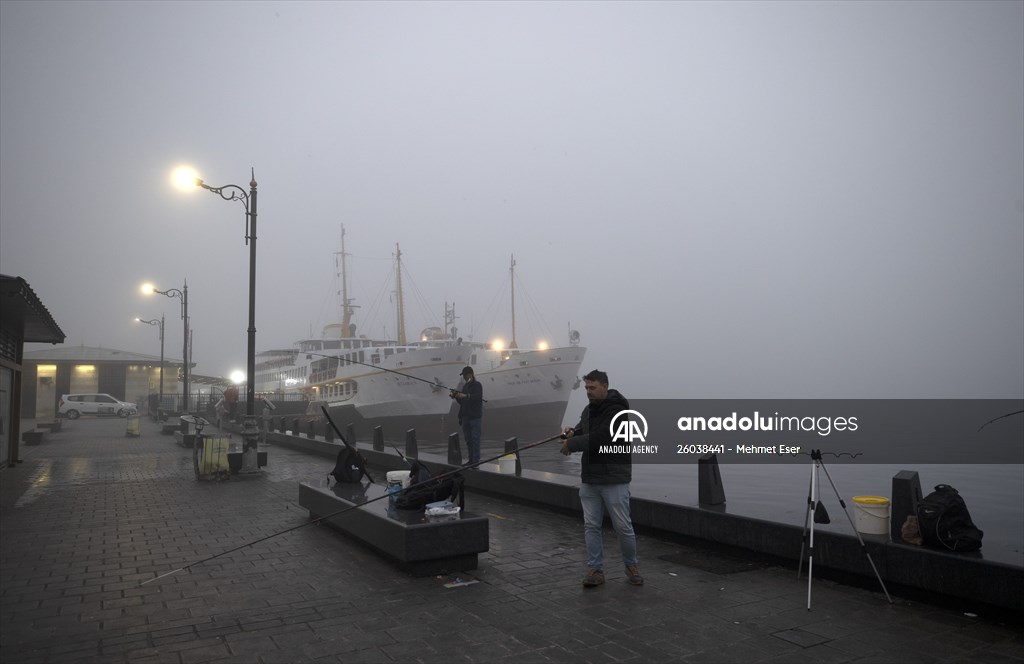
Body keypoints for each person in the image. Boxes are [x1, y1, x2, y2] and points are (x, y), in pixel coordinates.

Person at [561, 369, 643, 587]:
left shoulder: (618, 409)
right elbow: (583, 431)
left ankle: (631, 565)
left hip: (614, 478)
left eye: (593, 387)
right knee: (591, 526)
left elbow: (603, 437)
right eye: (586, 388)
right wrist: (572, 433)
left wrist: (572, 444)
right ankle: (595, 570)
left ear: (605, 386)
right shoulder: (588, 410)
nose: (589, 392)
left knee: (622, 526)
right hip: (590, 478)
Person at [451, 366, 483, 464]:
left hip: (474, 418)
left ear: (470, 374)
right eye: (463, 375)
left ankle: (476, 460)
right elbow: (462, 402)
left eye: (465, 375)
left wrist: (466, 395)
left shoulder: (477, 385)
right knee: (468, 440)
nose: (464, 377)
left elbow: (478, 397)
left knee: (475, 439)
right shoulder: (465, 386)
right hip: (465, 417)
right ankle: (471, 460)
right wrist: (456, 396)